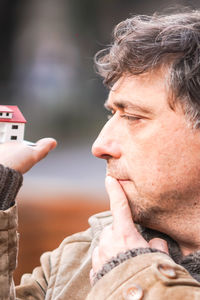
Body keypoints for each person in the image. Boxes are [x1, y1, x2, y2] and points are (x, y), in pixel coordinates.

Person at [1, 9, 200, 300]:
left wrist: (130, 274)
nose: (99, 146)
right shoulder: (81, 252)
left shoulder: (111, 256)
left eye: (133, 116)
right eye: (112, 113)